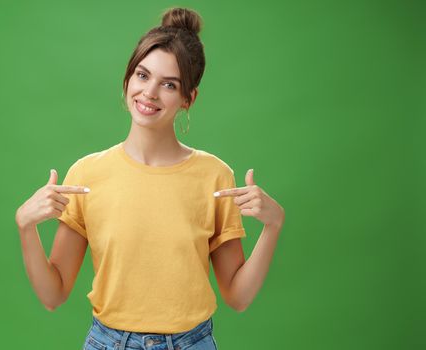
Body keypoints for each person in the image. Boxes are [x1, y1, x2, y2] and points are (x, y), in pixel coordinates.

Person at [15, 7, 285, 350]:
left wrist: (273, 225)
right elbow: (53, 295)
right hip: (107, 342)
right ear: (128, 78)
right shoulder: (87, 174)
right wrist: (25, 226)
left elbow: (238, 296)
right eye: (142, 75)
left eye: (169, 84)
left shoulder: (215, 176)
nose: (150, 93)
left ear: (188, 99)